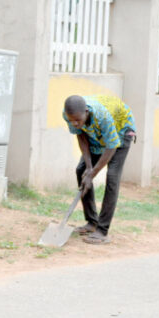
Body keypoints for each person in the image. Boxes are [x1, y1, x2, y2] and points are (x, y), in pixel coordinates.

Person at [63, 95, 136, 245]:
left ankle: (102, 231)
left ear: (86, 111)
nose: (75, 123)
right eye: (72, 120)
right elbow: (81, 136)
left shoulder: (102, 117)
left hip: (120, 131)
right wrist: (89, 168)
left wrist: (93, 173)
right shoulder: (68, 115)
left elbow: (111, 146)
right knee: (81, 170)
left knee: (112, 176)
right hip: (98, 134)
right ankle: (92, 222)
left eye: (78, 120)